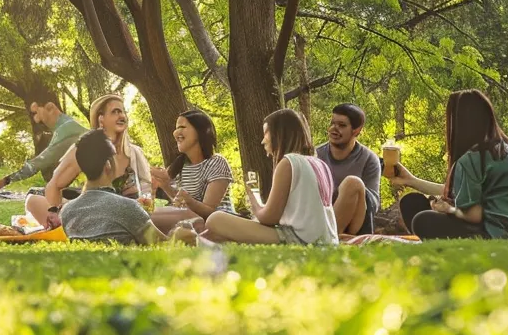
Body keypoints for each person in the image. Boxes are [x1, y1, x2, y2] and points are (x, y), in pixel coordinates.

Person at [389, 89, 508, 240]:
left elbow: (474, 216)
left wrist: (450, 209)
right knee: (413, 202)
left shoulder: (473, 158)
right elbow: (463, 193)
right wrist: (411, 181)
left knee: (422, 220)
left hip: (495, 234)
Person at [199, 109, 339, 245]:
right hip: (328, 240)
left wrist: (253, 195)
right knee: (217, 234)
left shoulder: (288, 162)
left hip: (300, 240)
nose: (262, 141)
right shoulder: (320, 164)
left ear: (279, 134)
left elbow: (269, 218)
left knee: (215, 219)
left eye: (266, 133)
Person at [29, 94, 153, 226]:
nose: (122, 116)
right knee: (34, 198)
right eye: (115, 112)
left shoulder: (135, 153)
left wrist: (144, 204)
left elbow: (147, 195)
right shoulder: (85, 148)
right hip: (92, 214)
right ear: (101, 119)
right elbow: (54, 185)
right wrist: (58, 217)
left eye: (123, 112)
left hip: (127, 215)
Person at [0, 86, 86, 199]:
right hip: (93, 189)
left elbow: (36, 164)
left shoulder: (65, 130)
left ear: (50, 107)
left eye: (36, 113)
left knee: (34, 194)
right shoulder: (68, 125)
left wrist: (1, 182)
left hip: (99, 192)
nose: (36, 120)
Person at [60, 129, 172, 245]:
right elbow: (164, 245)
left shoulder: (67, 212)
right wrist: (179, 233)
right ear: (108, 165)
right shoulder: (127, 207)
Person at [148, 109, 233, 233]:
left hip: (218, 224)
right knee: (146, 214)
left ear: (200, 131)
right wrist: (165, 186)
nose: (175, 132)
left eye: (182, 126)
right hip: (191, 220)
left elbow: (209, 212)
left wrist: (189, 201)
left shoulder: (216, 162)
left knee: (150, 216)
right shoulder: (181, 166)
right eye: (176, 128)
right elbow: (182, 203)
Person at [317, 103, 383, 236]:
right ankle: (332, 235)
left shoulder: (369, 159)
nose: (333, 129)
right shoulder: (317, 155)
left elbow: (373, 204)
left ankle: (328, 237)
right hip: (323, 216)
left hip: (355, 221)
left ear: (356, 131)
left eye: (341, 125)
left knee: (352, 183)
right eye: (332, 123)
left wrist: (346, 196)